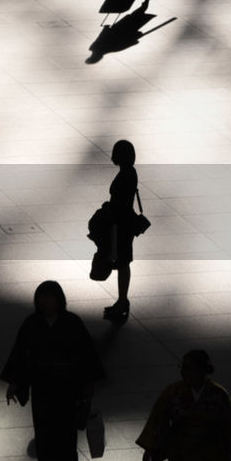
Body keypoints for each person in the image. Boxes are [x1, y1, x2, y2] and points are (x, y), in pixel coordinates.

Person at [2, 281, 105, 461]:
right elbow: (21, 355)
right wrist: (15, 382)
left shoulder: (72, 323)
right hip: (43, 389)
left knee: (66, 438)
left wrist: (87, 387)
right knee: (45, 437)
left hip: (68, 390)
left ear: (59, 299)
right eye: (42, 297)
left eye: (50, 297)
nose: (45, 301)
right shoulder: (32, 324)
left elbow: (87, 355)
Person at [104, 139, 139, 324]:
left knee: (123, 262)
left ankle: (123, 300)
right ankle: (122, 300)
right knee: (123, 261)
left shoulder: (125, 174)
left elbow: (120, 201)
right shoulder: (129, 172)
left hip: (121, 224)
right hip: (125, 223)